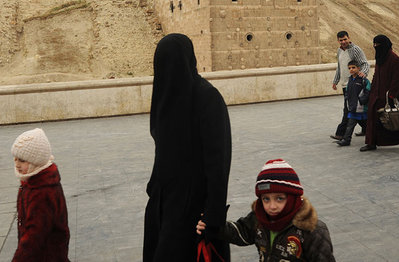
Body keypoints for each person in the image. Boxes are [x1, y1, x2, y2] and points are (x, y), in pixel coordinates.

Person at [143, 33, 232, 261]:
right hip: (163, 204)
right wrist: (154, 188)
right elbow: (162, 152)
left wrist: (213, 215)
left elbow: (218, 162)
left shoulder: (207, 98)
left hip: (194, 207)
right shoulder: (164, 99)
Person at [196, 159, 335, 262]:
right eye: (266, 199)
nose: (272, 206)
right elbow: (242, 233)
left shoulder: (312, 228)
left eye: (279, 198)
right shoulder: (259, 218)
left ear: (292, 197)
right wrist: (214, 225)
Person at [11, 128, 70, 262]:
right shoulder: (33, 182)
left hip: (46, 254)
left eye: (22, 160)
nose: (16, 164)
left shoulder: (42, 192)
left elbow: (34, 235)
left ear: (36, 162)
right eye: (15, 159)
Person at [360, 35, 399, 151]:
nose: (376, 47)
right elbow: (376, 75)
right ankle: (371, 142)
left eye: (378, 45)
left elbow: (397, 79)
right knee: (374, 117)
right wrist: (372, 89)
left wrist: (392, 94)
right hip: (377, 93)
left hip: (391, 95)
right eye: (374, 45)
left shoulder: (395, 59)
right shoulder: (380, 57)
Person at [330, 31, 369, 141]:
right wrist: (335, 81)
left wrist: (364, 73)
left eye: (345, 39)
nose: (343, 42)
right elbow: (339, 67)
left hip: (355, 84)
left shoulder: (355, 49)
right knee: (355, 108)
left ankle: (341, 133)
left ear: (349, 38)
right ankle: (367, 129)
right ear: (338, 41)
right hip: (345, 84)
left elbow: (364, 63)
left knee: (348, 108)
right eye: (341, 40)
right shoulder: (339, 51)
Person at [336, 60, 371, 147]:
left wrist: (362, 101)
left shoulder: (364, 80)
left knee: (367, 125)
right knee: (350, 124)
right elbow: (347, 92)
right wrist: (347, 101)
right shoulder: (350, 80)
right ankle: (346, 140)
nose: (351, 70)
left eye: (353, 68)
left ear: (358, 68)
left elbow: (368, 92)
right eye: (349, 68)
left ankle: (373, 138)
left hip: (362, 108)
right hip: (353, 107)